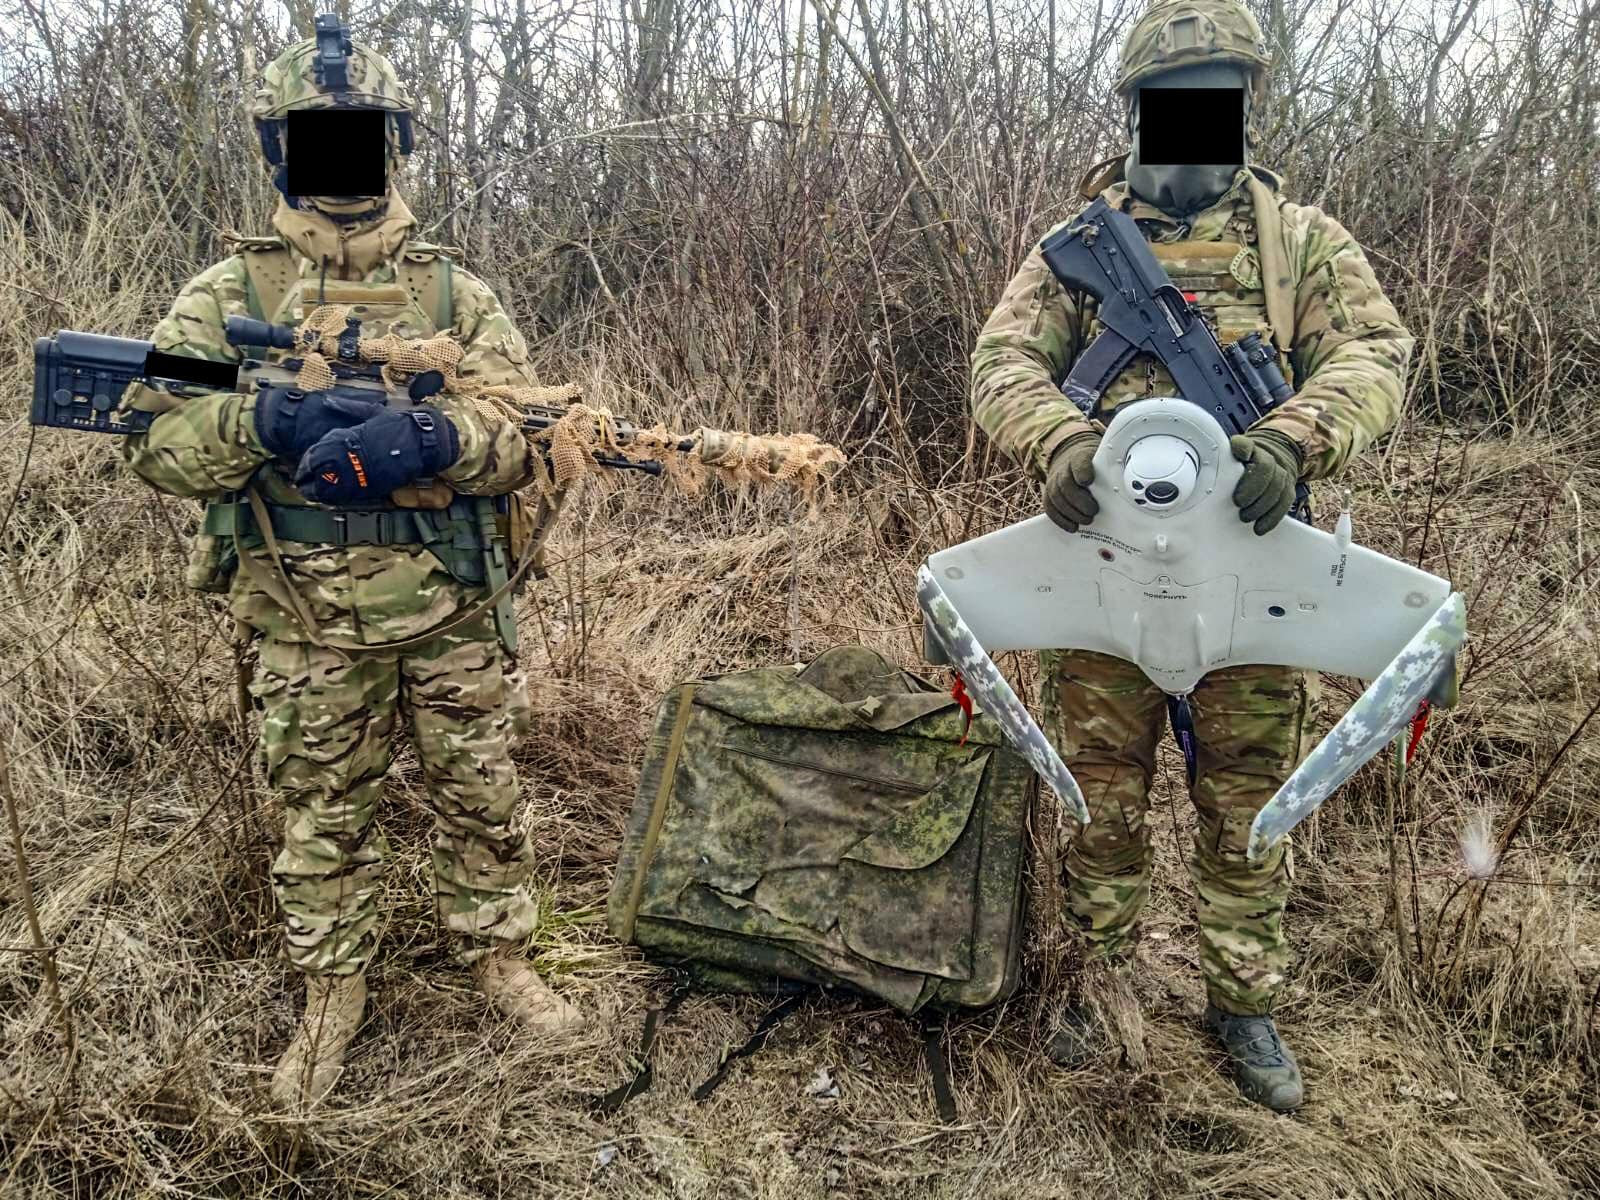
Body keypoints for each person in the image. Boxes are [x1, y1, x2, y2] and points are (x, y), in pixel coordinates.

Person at [121, 14, 583, 1111]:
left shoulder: (454, 298)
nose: (340, 156)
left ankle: (498, 956)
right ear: (277, 148)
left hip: (449, 603)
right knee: (321, 811)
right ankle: (334, 991)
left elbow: (532, 439)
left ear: (395, 144)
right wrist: (258, 425)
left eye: (361, 132)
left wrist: (436, 437)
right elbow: (152, 438)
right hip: (302, 612)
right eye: (313, 135)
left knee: (480, 790)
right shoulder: (230, 298)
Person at [969, 0, 1413, 1111]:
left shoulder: (1299, 242)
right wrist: (1059, 439)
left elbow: (1375, 352)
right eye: (1173, 100)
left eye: (1218, 98)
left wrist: (1293, 437)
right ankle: (1096, 983)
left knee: (1247, 805)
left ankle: (1241, 1000)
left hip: (1252, 576)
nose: (1194, 117)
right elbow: (1000, 361)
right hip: (1102, 570)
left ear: (1247, 106)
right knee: (1099, 798)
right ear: (1134, 109)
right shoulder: (1077, 247)